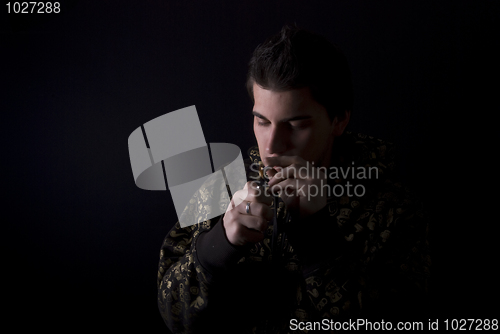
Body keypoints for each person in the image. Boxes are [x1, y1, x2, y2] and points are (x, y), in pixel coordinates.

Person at [157, 25, 430, 333]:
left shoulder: (393, 210)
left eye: (296, 125)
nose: (272, 146)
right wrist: (219, 245)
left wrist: (317, 233)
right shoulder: (220, 188)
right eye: (262, 121)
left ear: (339, 120)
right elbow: (175, 317)